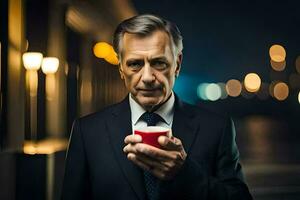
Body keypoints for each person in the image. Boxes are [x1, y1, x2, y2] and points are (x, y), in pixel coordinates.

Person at [61, 14, 253, 200]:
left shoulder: (217, 129)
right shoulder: (87, 132)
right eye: (135, 64)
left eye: (159, 63)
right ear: (120, 68)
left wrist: (185, 173)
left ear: (177, 64)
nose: (147, 77)